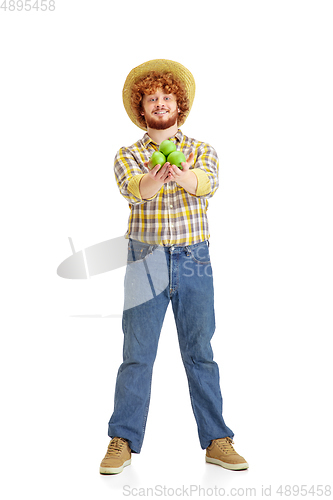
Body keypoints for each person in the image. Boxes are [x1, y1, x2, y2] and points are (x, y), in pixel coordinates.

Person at [100, 59, 248, 474]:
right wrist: (154, 177)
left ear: (178, 105)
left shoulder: (201, 150)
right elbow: (136, 191)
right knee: (137, 354)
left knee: (200, 351)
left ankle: (218, 440)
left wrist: (181, 174)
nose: (160, 103)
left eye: (167, 97)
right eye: (152, 98)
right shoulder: (128, 154)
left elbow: (206, 185)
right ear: (141, 107)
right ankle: (122, 440)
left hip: (193, 258)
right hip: (145, 258)